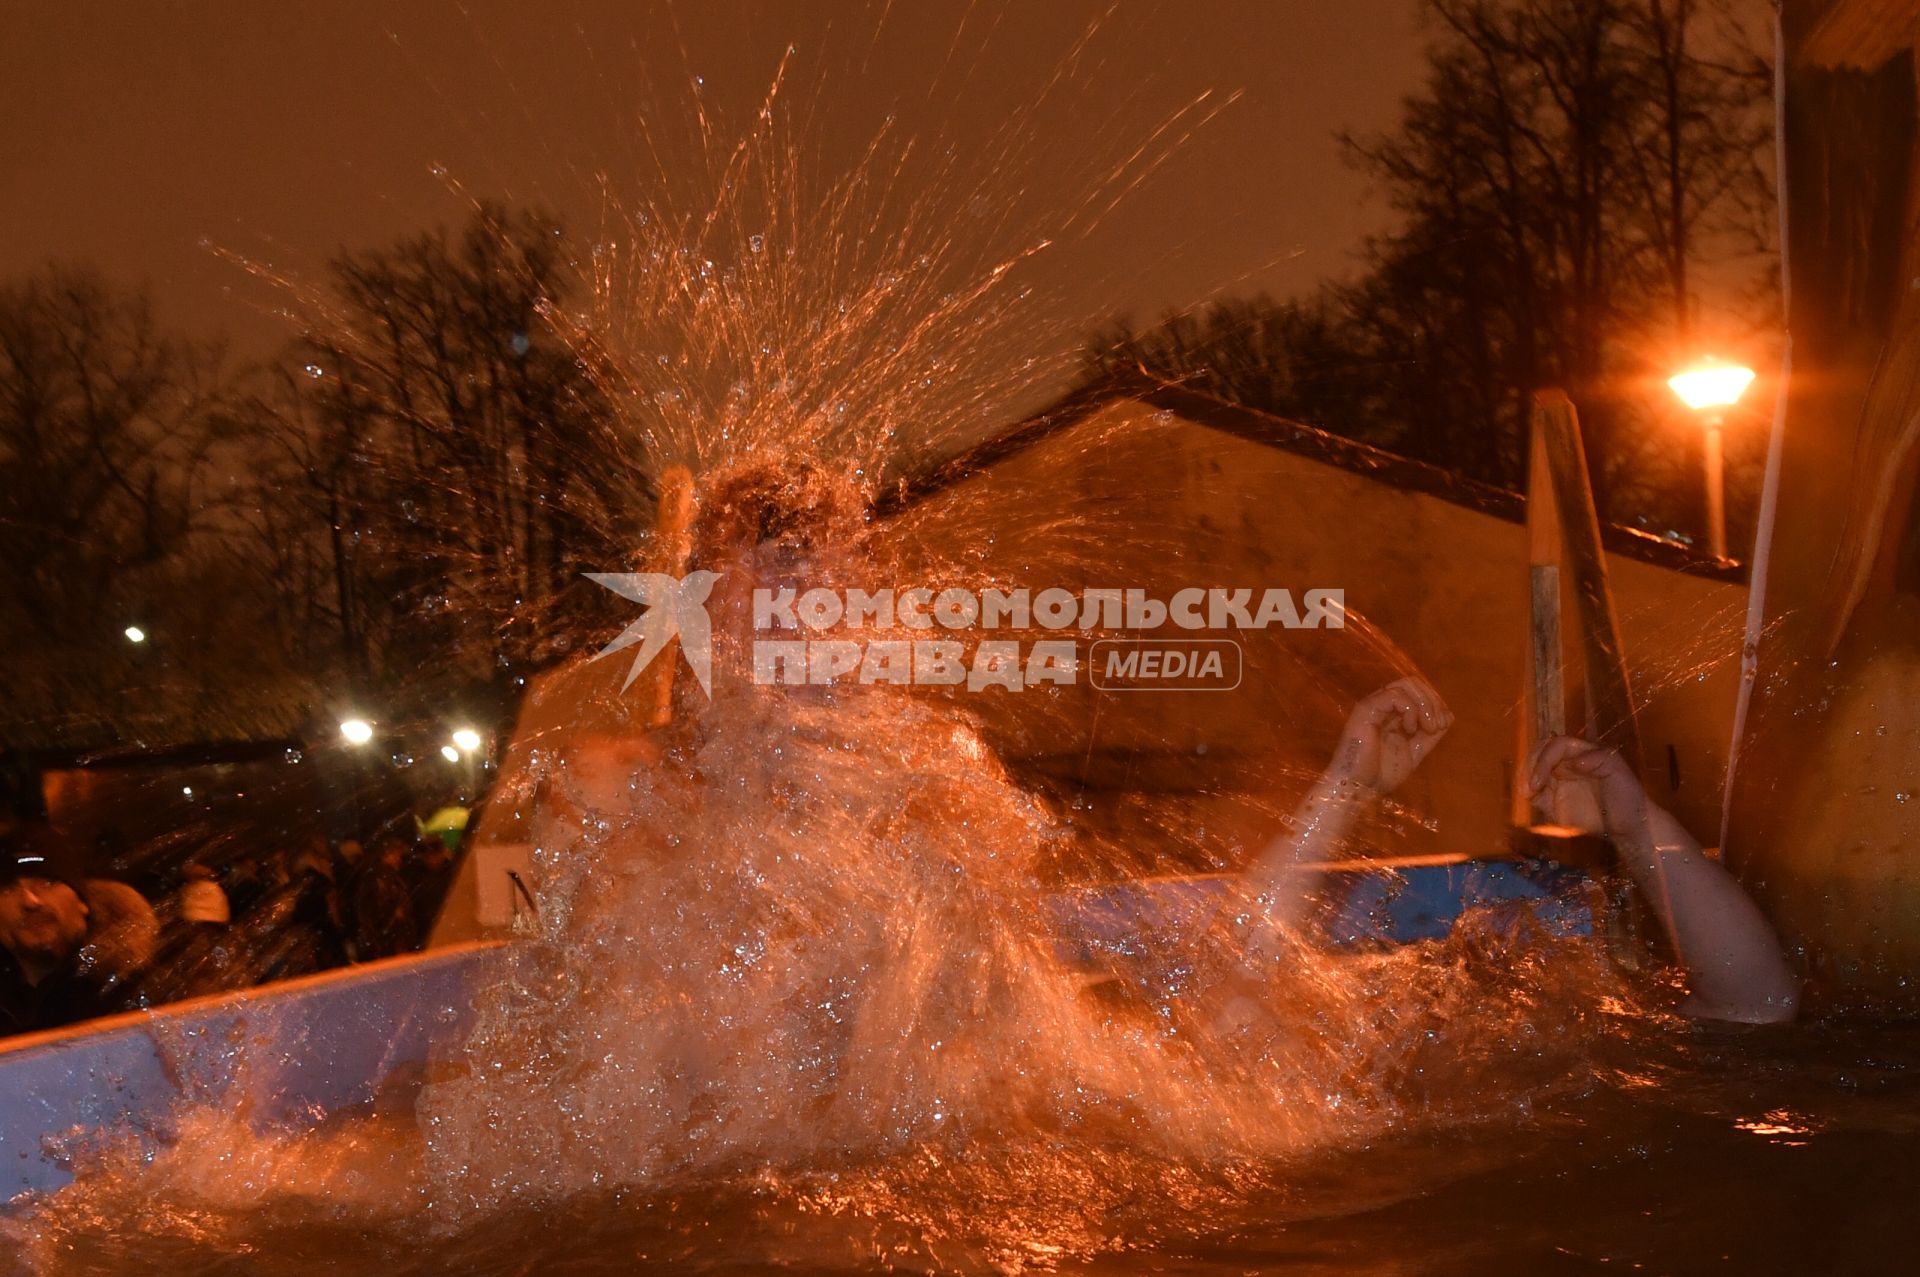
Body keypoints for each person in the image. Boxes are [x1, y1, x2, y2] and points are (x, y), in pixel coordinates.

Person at [1220, 677, 1798, 1027]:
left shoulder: (1600, 1024)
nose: (1501, 943)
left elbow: (1759, 1007)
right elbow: (1230, 1003)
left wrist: (1640, 828)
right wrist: (1343, 789)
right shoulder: (1362, 1043)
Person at [0, 822, 160, 1038]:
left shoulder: (146, 994)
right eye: (8, 889)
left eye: (47, 883)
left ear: (83, 902)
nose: (30, 901)